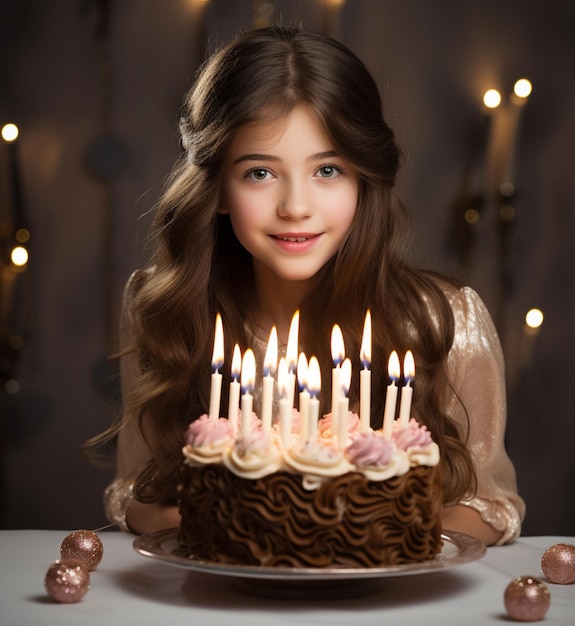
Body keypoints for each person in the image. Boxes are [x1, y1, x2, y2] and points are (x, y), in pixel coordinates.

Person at [86, 26, 525, 545]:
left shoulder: (444, 320)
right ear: (218, 187)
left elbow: (491, 504)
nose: (296, 206)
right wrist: (238, 527)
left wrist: (346, 541)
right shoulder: (163, 309)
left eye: (328, 170)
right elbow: (134, 490)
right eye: (259, 174)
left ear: (363, 179)